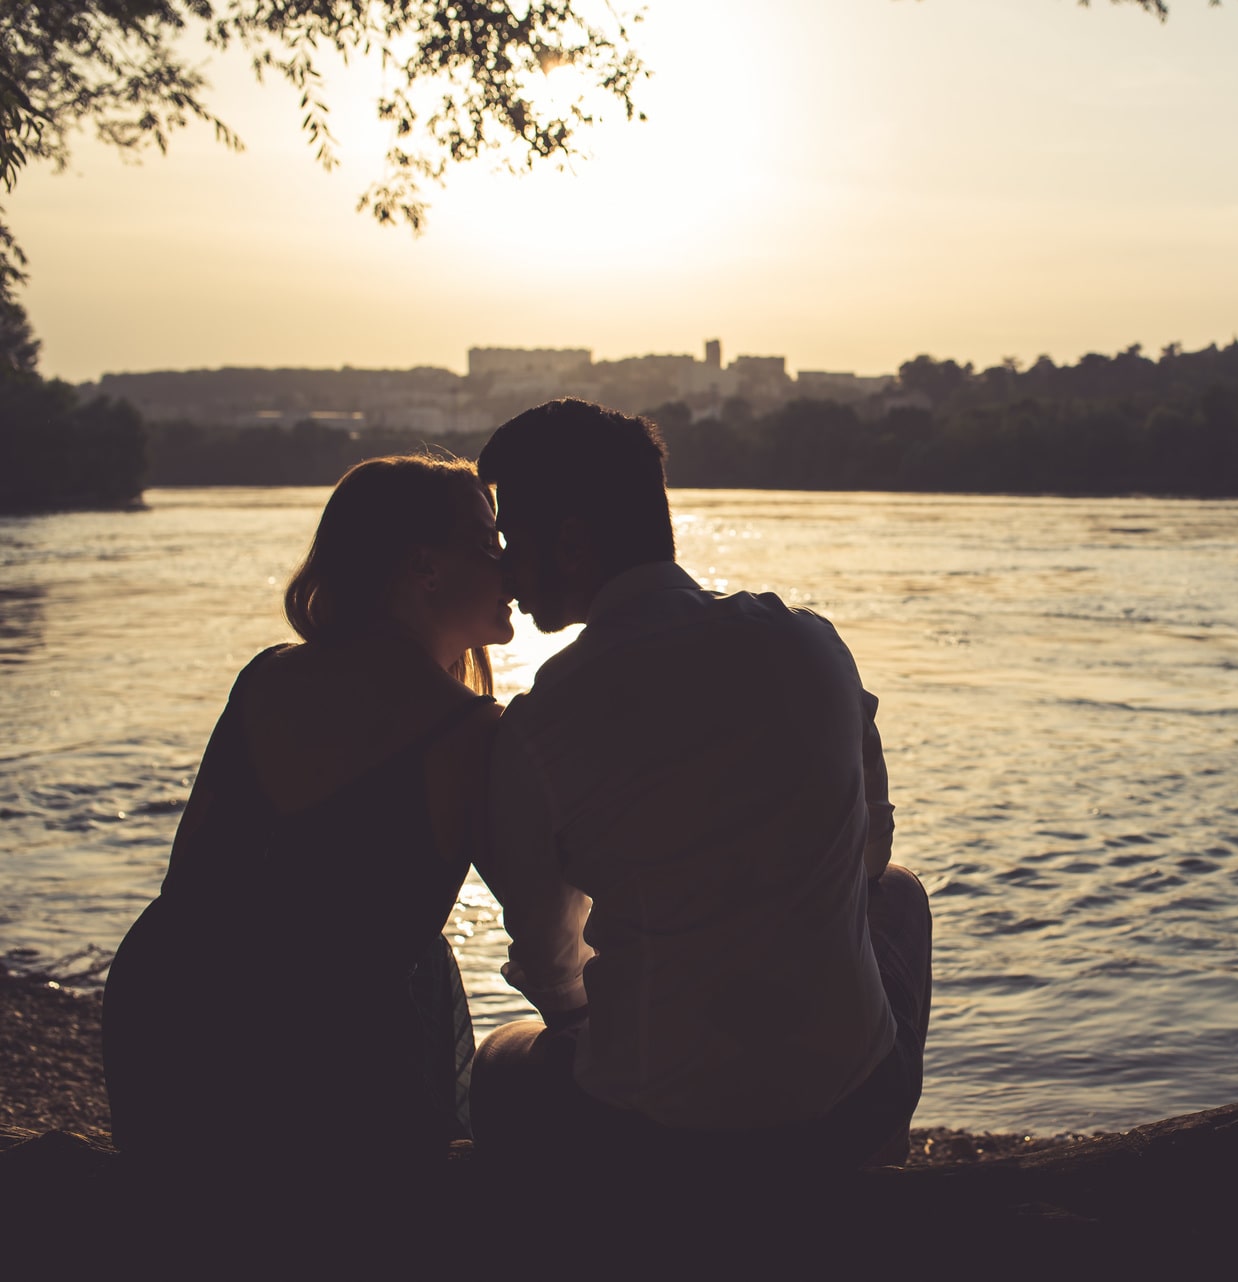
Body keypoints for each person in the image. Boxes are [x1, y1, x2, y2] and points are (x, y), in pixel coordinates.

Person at [470, 398, 931, 1173]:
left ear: (573, 542)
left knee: (497, 1061)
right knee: (903, 895)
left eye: (513, 539)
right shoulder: (809, 643)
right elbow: (869, 850)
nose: (506, 569)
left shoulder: (539, 727)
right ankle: (875, 1167)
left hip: (660, 1143)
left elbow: (554, 967)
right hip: (851, 1110)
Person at [103, 454, 511, 1172]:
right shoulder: (472, 732)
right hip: (315, 1069)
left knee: (421, 962)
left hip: (161, 1027)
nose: (508, 560)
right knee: (430, 982)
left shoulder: (266, 675)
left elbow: (189, 883)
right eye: (486, 541)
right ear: (426, 568)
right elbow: (546, 914)